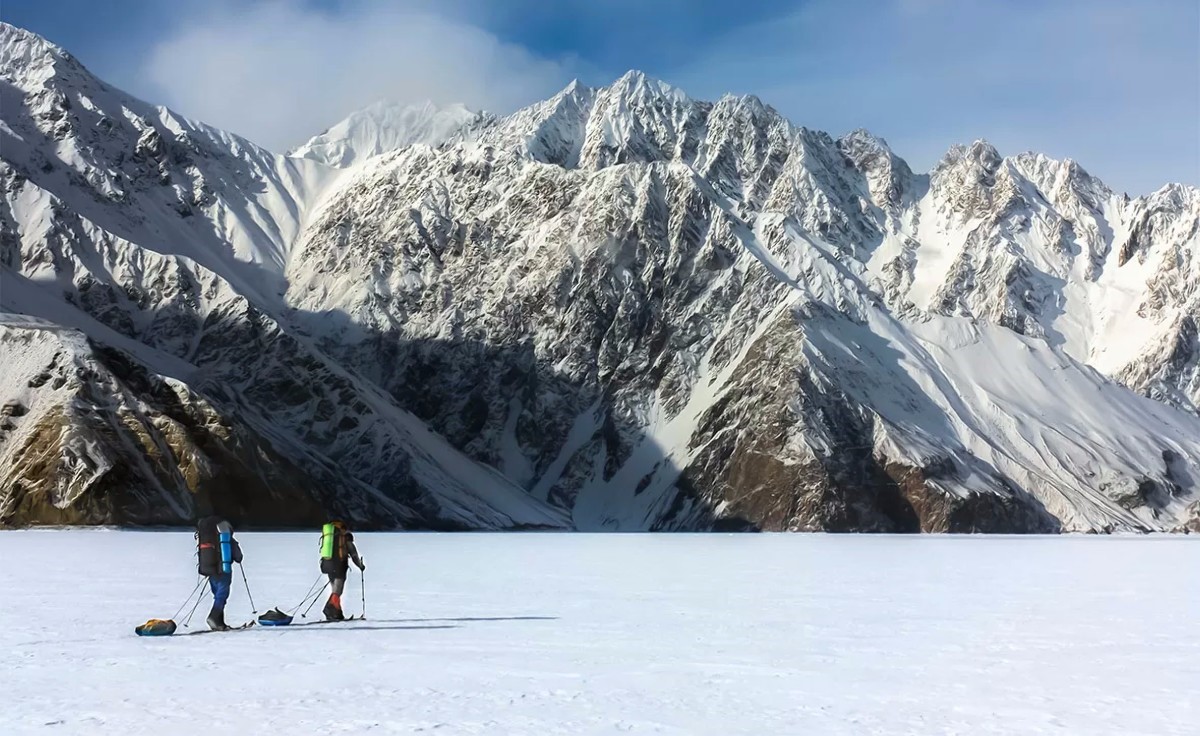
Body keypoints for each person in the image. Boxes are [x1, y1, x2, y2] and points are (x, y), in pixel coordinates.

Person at [196, 515, 243, 631]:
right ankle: (213, 617)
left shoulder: (208, 537)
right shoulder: (226, 540)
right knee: (222, 595)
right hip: (223, 569)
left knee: (217, 594)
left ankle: (219, 622)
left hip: (210, 569)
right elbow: (238, 557)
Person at [319, 521, 364, 621]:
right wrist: (360, 566)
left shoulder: (331, 539)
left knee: (335, 590)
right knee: (337, 591)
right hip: (340, 567)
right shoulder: (345, 539)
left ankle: (336, 612)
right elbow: (354, 555)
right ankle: (329, 609)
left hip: (328, 565)